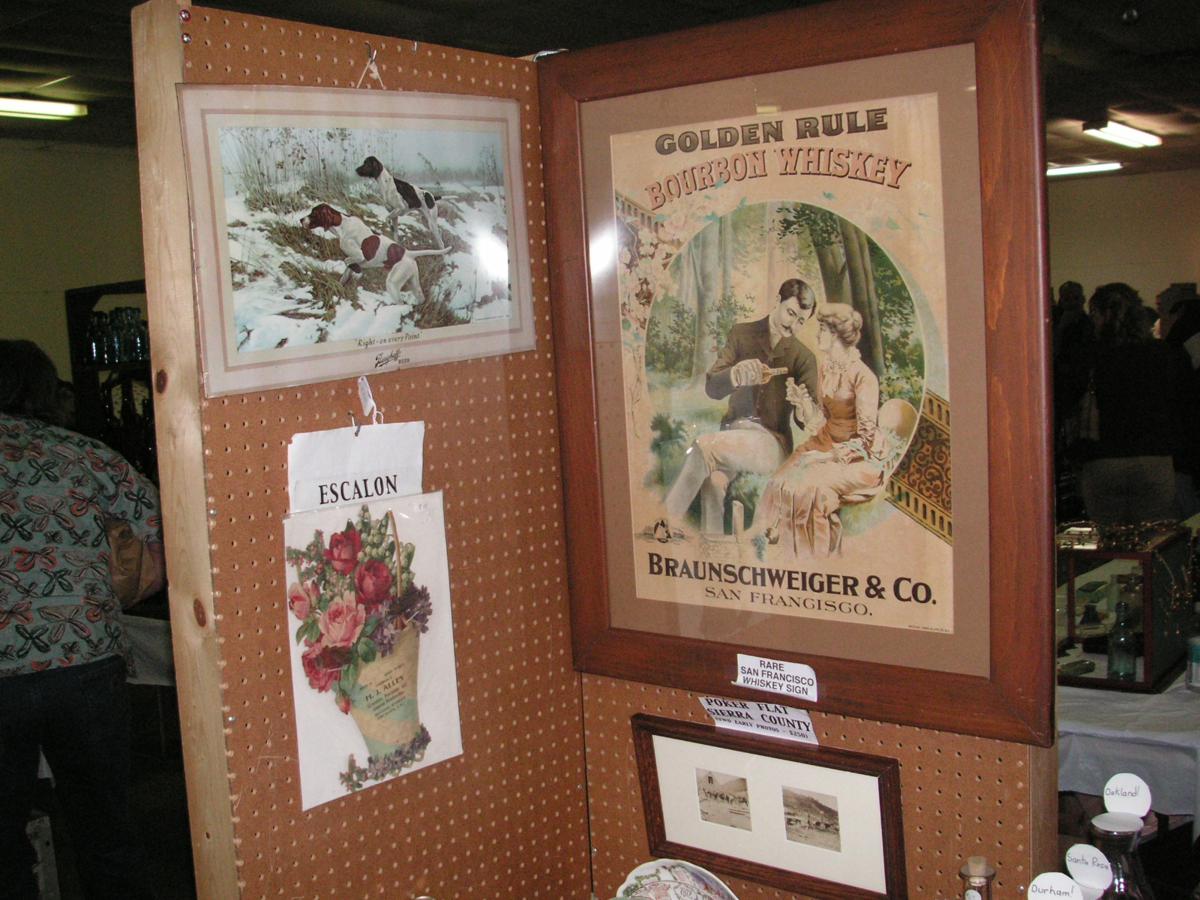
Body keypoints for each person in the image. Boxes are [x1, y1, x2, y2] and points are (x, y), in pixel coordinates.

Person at [0, 340, 163, 899]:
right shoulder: (84, 454)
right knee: (107, 831)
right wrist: (120, 592)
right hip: (86, 660)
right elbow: (167, 531)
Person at [664, 278, 820, 532]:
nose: (793, 325)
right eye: (791, 313)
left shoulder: (804, 358)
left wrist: (804, 407)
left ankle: (665, 522)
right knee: (714, 483)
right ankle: (712, 548)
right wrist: (735, 374)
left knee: (702, 447)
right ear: (777, 301)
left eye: (801, 321)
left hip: (771, 443)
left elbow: (813, 418)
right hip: (732, 434)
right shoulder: (741, 333)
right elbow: (712, 387)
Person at [751, 303, 902, 556]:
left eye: (821, 329)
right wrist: (803, 404)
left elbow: (867, 439)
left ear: (835, 334)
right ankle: (770, 551)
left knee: (809, 488)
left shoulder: (863, 377)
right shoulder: (826, 368)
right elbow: (824, 418)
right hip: (824, 441)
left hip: (858, 457)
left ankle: (810, 558)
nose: (817, 333)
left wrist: (825, 457)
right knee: (778, 482)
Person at [1065, 283, 1190, 524]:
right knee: (1154, 535)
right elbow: (1181, 403)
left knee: (1110, 535)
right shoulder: (1163, 354)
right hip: (1154, 455)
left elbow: (1069, 399)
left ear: (1099, 315)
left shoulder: (1089, 356)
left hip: (1102, 457)